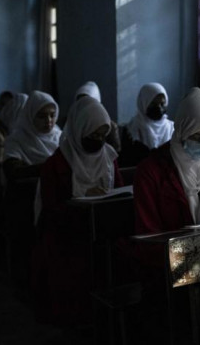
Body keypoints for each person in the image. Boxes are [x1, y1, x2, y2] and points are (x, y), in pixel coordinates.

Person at [32, 96, 124, 325]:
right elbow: (51, 208)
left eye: (103, 135)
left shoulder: (108, 157)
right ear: (80, 129)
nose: (99, 141)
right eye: (94, 135)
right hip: (67, 233)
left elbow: (121, 191)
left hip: (103, 228)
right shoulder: (58, 163)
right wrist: (81, 199)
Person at [133, 87, 200, 235]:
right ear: (182, 132)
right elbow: (149, 232)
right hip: (166, 254)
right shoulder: (152, 170)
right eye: (196, 137)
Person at [3, 91, 61, 181]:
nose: (49, 120)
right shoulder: (16, 140)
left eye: (52, 115)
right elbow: (13, 171)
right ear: (30, 116)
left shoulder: (60, 137)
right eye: (42, 116)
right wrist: (51, 167)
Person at [119, 82, 174, 167]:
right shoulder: (132, 130)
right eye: (153, 104)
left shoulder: (172, 128)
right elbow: (126, 162)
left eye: (162, 104)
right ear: (143, 103)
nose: (159, 107)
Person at [73, 80, 121, 153]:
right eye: (80, 102)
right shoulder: (70, 126)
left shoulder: (109, 128)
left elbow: (115, 154)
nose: (83, 106)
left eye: (88, 101)